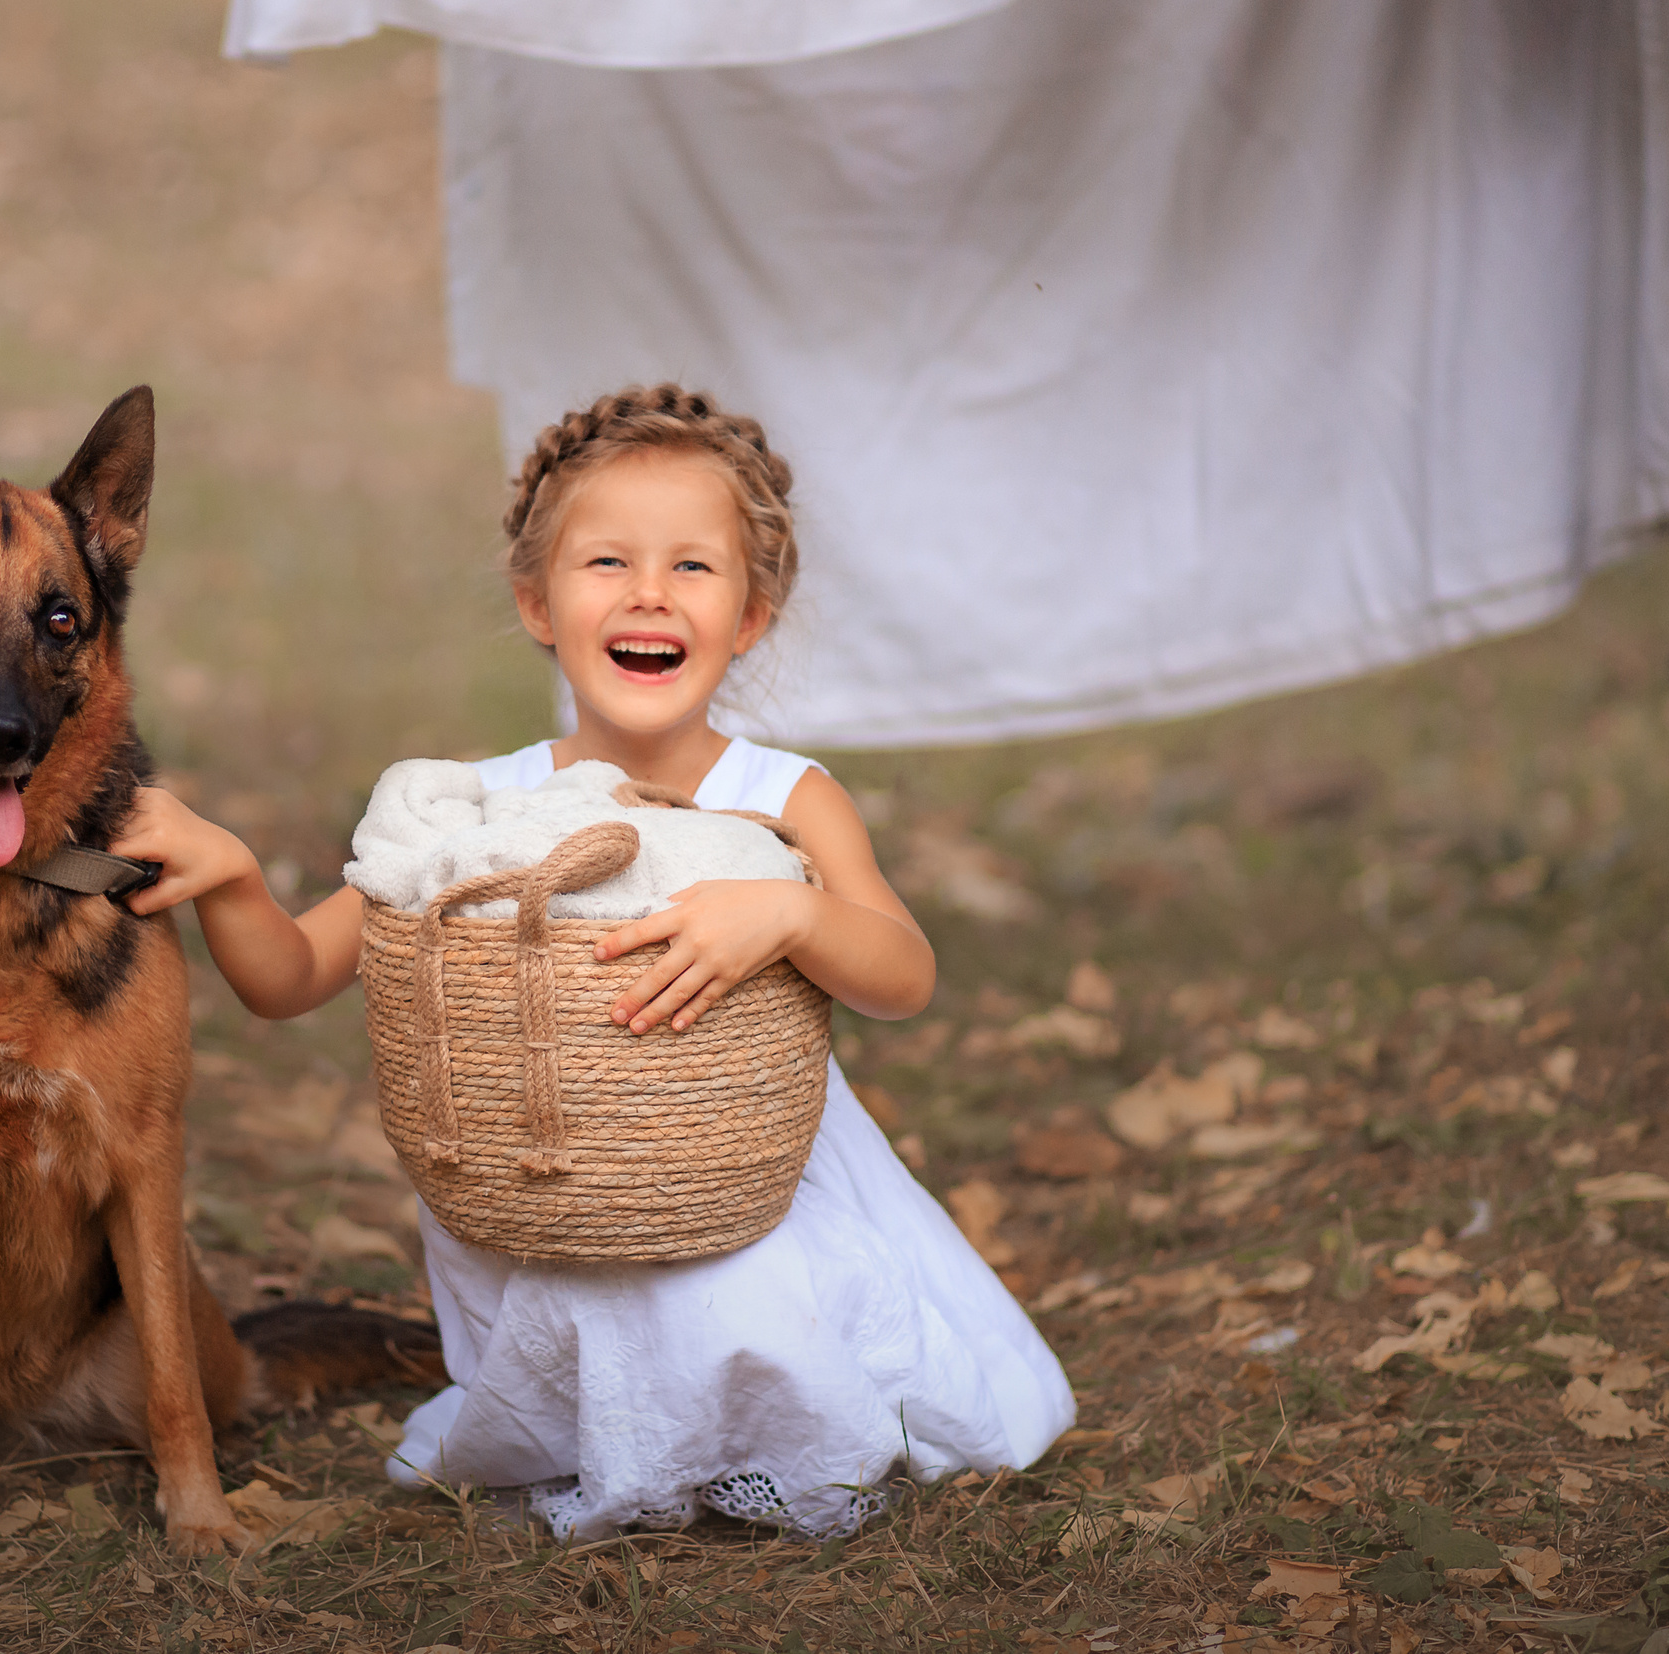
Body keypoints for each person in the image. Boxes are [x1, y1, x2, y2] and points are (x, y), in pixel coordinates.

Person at [112, 385, 1075, 1538]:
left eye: (694, 569)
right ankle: (606, 1430)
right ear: (537, 600)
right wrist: (227, 873)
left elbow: (903, 972)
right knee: (607, 1324)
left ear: (753, 615)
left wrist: (792, 915)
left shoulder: (786, 799)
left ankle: (749, 1445)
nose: (649, 594)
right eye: (606, 561)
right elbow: (289, 979)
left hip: (749, 1191)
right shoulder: (482, 813)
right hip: (547, 1184)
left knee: (747, 1323)